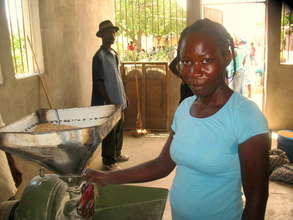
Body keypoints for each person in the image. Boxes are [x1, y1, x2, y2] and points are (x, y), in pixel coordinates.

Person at [85, 18, 269, 220]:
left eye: (206, 60)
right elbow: (162, 164)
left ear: (226, 57)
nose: (194, 71)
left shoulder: (245, 115)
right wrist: (107, 178)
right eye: (187, 61)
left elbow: (257, 200)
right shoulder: (184, 109)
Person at [91, 20, 129, 171]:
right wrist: (108, 101)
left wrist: (124, 96)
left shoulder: (114, 54)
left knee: (119, 128)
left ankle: (117, 153)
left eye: (114, 32)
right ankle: (108, 161)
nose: (112, 35)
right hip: (107, 102)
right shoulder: (98, 57)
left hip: (118, 99)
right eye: (109, 32)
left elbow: (117, 77)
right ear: (102, 35)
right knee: (109, 131)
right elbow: (98, 82)